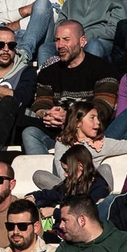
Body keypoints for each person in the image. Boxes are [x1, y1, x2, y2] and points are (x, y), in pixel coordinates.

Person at [27, 20, 117, 153]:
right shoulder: (48, 72)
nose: (60, 45)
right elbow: (41, 102)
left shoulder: (103, 69)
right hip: (57, 131)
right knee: (30, 133)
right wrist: (47, 114)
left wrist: (70, 117)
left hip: (90, 133)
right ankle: (43, 173)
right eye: (57, 40)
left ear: (82, 41)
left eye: (66, 39)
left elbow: (103, 108)